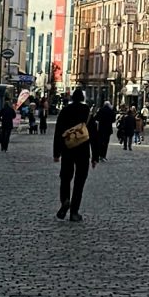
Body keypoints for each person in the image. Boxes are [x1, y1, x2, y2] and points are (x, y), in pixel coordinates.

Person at [53, 91, 93, 221]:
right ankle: (74, 212)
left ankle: (65, 200)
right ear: (82, 98)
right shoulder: (87, 111)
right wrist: (96, 155)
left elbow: (58, 131)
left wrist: (56, 152)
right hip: (83, 150)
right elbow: (93, 132)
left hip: (67, 149)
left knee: (65, 177)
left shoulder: (65, 110)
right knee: (79, 181)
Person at [91, 100, 116, 165]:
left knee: (100, 142)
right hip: (108, 129)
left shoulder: (101, 110)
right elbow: (113, 120)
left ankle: (99, 155)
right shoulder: (111, 111)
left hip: (101, 129)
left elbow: (96, 118)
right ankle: (103, 156)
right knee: (106, 143)